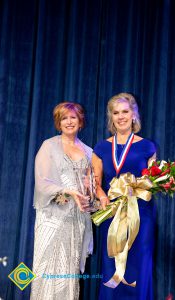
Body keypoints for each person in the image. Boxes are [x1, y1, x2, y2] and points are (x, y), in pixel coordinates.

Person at [92, 93, 157, 300]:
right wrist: (102, 197)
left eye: (125, 112)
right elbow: (95, 182)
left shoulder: (148, 146)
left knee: (139, 262)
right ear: (111, 117)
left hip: (141, 214)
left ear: (134, 115)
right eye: (116, 112)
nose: (121, 116)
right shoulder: (101, 148)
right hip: (113, 213)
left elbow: (153, 181)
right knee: (112, 262)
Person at [31, 102, 93, 300]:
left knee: (69, 270)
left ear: (80, 121)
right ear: (58, 122)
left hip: (76, 219)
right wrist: (69, 191)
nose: (69, 122)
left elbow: (92, 184)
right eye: (64, 118)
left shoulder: (88, 151)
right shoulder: (49, 145)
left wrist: (89, 193)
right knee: (47, 266)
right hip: (52, 218)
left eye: (73, 117)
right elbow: (42, 183)